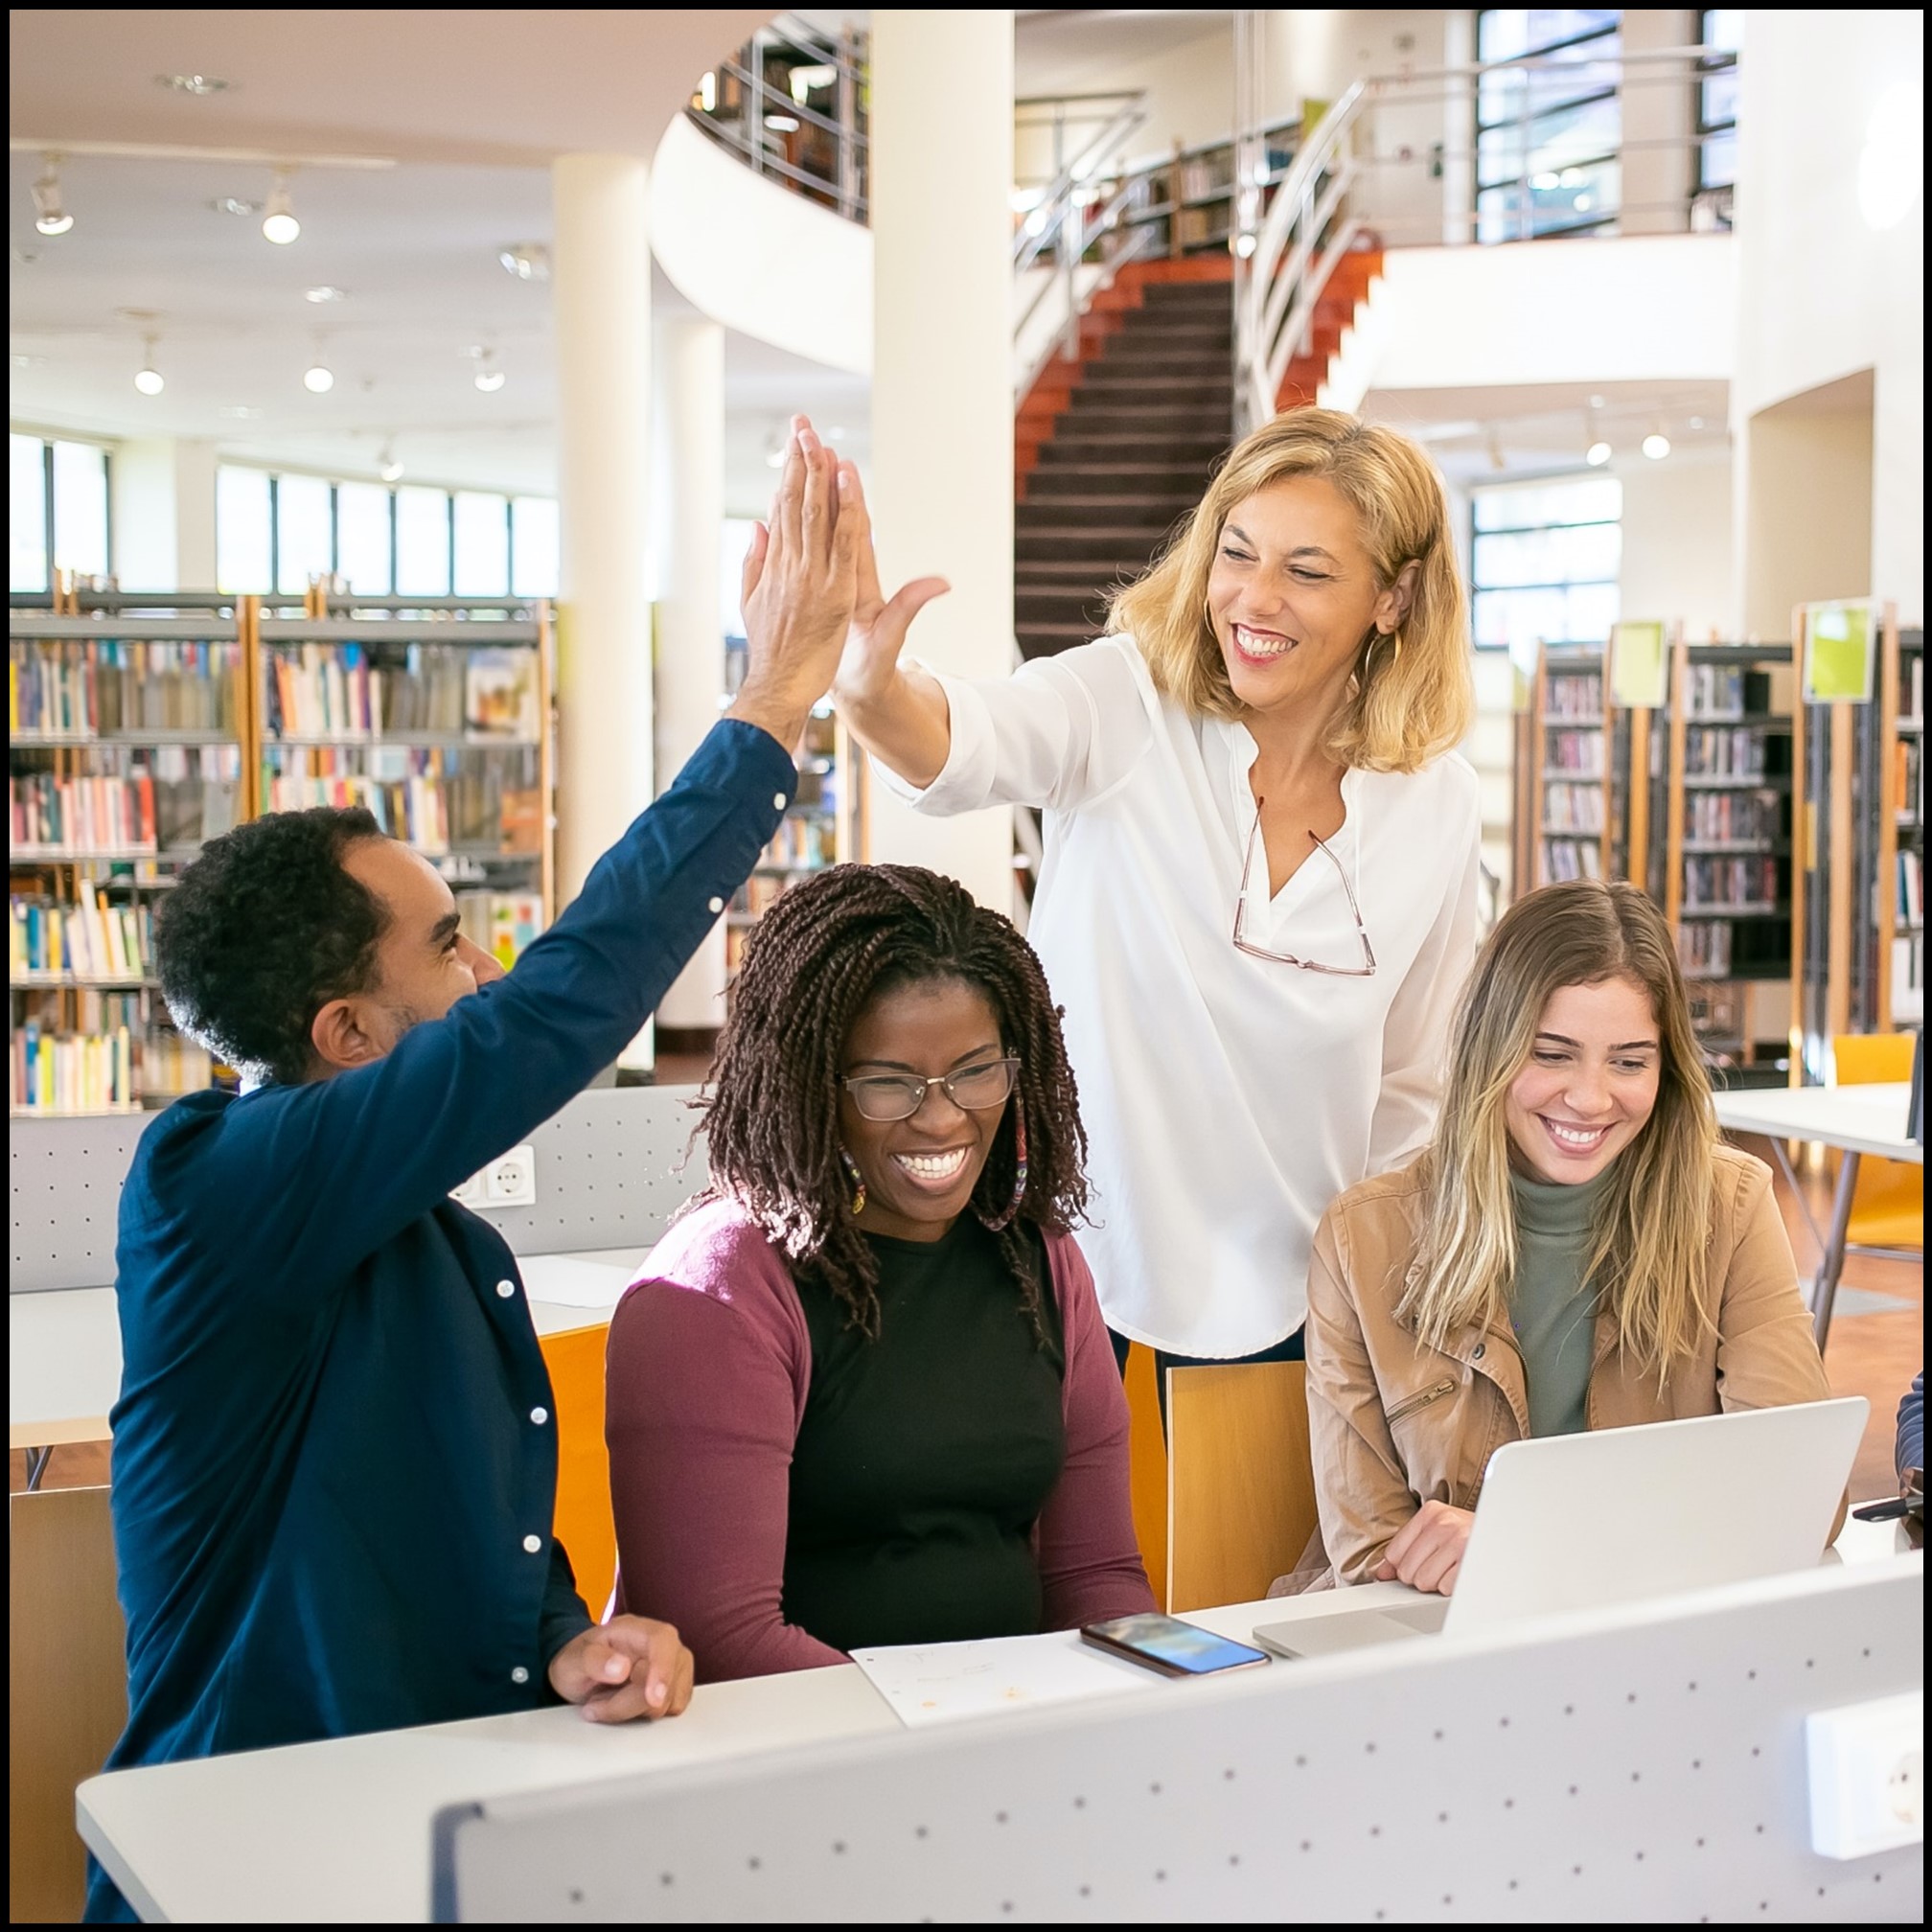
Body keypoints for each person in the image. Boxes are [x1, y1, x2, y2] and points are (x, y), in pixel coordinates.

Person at [84, 428, 859, 1920]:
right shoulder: (212, 1187)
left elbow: (448, 1523)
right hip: (244, 1866)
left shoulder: (433, 1240)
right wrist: (768, 707)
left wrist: (563, 1639)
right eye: (448, 947)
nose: (487, 969)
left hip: (434, 1833)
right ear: (345, 1034)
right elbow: (553, 1013)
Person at [826, 406, 1480, 1381]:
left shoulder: (1437, 802)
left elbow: (1415, 1084)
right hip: (1070, 1274)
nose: (1254, 599)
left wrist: (1374, 1292)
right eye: (1237, 553)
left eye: (1307, 572)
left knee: (1255, 1497)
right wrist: (872, 692)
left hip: (1303, 1302)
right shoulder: (1127, 702)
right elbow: (971, 738)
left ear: (1395, 597)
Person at [605, 864, 1154, 1681]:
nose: (943, 1117)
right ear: (808, 1084)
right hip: (810, 1738)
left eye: (976, 1071)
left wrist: (1159, 1687)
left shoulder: (1040, 1259)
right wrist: (953, 1727)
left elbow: (1096, 1576)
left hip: (1007, 1725)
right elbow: (720, 1639)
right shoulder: (715, 1290)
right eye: (890, 1085)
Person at [1295, 878, 1836, 1596]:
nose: (1589, 1098)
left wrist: (1527, 1543)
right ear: (1491, 1051)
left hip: (1654, 1623)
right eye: (1552, 1054)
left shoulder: (1730, 1207)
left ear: (1667, 1068)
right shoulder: (1361, 1238)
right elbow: (1371, 1560)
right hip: (1438, 1635)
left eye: (1629, 1062)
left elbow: (1803, 1496)